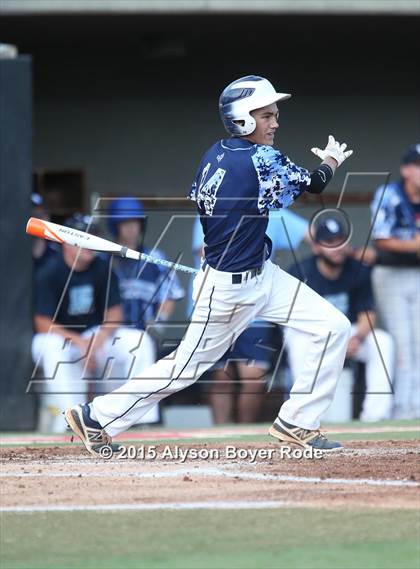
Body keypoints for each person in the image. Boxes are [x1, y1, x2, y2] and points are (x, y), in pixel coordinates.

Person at [65, 75, 353, 454]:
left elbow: (216, 212)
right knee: (184, 367)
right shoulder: (260, 158)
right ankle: (96, 417)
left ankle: (298, 421)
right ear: (242, 119)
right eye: (266, 115)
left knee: (333, 327)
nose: (275, 122)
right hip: (231, 289)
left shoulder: (213, 153)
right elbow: (314, 184)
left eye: (274, 114)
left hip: (260, 275)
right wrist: (331, 161)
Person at [32, 214, 155, 432]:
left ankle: (142, 418)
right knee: (50, 345)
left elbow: (115, 315)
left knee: (140, 340)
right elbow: (42, 323)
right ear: (68, 242)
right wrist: (80, 343)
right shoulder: (50, 271)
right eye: (85, 236)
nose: (91, 242)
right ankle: (72, 420)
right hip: (62, 338)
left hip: (95, 337)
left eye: (94, 236)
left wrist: (94, 343)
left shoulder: (102, 268)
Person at [191, 210, 309, 424]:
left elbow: (315, 235)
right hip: (217, 304)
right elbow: (205, 251)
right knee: (222, 378)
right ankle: (221, 436)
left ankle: (245, 434)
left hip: (255, 307)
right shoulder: (214, 205)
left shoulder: (271, 210)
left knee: (253, 378)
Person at [286, 217, 395, 422]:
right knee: (297, 342)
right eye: (329, 242)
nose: (337, 247)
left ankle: (376, 416)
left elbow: (368, 314)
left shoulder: (358, 269)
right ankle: (306, 418)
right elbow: (292, 319)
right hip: (311, 334)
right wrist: (331, 341)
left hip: (350, 333)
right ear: (317, 247)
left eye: (340, 240)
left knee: (382, 341)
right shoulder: (301, 271)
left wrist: (356, 339)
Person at [106, 197, 185, 423]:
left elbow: (172, 293)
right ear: (115, 226)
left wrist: (158, 323)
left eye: (135, 223)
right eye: (125, 223)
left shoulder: (155, 257)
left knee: (142, 372)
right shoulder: (105, 260)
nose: (131, 229)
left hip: (142, 332)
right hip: (110, 333)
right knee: (111, 387)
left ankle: (145, 422)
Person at [370, 144, 420, 419]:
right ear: (407, 169)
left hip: (417, 273)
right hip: (390, 273)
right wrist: (414, 245)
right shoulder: (389, 194)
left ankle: (416, 410)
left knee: (419, 345)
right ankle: (402, 411)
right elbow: (381, 239)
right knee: (402, 346)